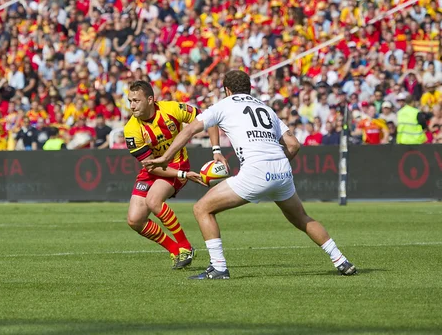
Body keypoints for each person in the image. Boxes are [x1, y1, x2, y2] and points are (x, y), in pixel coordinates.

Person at [144, 71, 357, 279]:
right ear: (249, 89)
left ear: (227, 90)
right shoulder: (265, 108)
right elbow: (294, 144)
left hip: (256, 171)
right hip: (282, 170)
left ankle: (218, 268)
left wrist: (165, 158)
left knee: (202, 209)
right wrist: (274, 164)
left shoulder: (224, 105)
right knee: (302, 218)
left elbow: (190, 130)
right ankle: (341, 260)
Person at [124, 80, 223, 269]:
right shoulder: (131, 130)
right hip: (153, 168)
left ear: (150, 100)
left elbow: (208, 119)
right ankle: (174, 249)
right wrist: (185, 175)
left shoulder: (172, 109)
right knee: (134, 220)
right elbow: (152, 166)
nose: (132, 106)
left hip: (177, 163)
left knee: (154, 201)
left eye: (136, 100)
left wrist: (216, 150)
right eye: (130, 101)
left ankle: (185, 246)